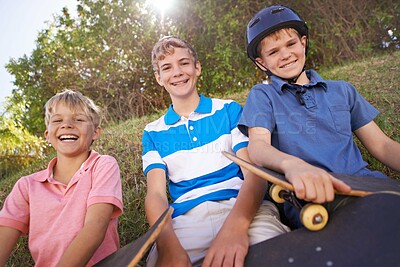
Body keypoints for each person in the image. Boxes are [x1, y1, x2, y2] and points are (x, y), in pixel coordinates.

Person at [238, 4, 400, 228]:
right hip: (311, 196)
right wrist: (292, 166)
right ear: (261, 62)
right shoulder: (263, 95)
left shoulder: (342, 90)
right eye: (273, 52)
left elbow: (382, 145)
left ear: (303, 43)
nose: (285, 55)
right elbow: (257, 147)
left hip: (366, 183)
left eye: (291, 44)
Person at [142, 36, 290, 267]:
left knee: (278, 257)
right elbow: (156, 195)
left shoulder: (228, 110)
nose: (178, 72)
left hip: (242, 207)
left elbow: (254, 174)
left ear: (197, 67)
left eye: (184, 63)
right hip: (185, 221)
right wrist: (167, 244)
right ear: (159, 78)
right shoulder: (153, 132)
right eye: (167, 67)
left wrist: (236, 227)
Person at [0, 90, 123, 266]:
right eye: (57, 120)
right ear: (48, 135)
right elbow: (4, 236)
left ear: (96, 132)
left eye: (79, 119)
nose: (67, 125)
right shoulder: (27, 186)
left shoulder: (103, 166)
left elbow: (95, 227)